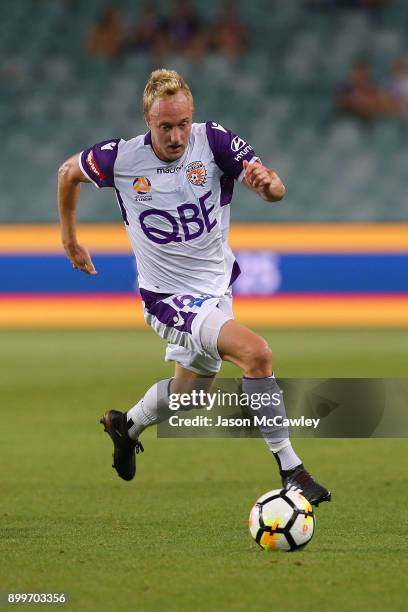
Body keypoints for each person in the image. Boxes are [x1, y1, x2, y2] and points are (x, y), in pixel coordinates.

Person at [57, 69, 331, 506]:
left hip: (215, 290)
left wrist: (270, 187)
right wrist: (70, 238)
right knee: (256, 354)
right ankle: (292, 470)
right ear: (148, 121)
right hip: (168, 299)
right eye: (165, 126)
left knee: (190, 396)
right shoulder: (120, 159)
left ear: (192, 117)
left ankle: (126, 426)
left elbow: (271, 186)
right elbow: (67, 172)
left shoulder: (215, 141)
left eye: (183, 123)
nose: (176, 135)